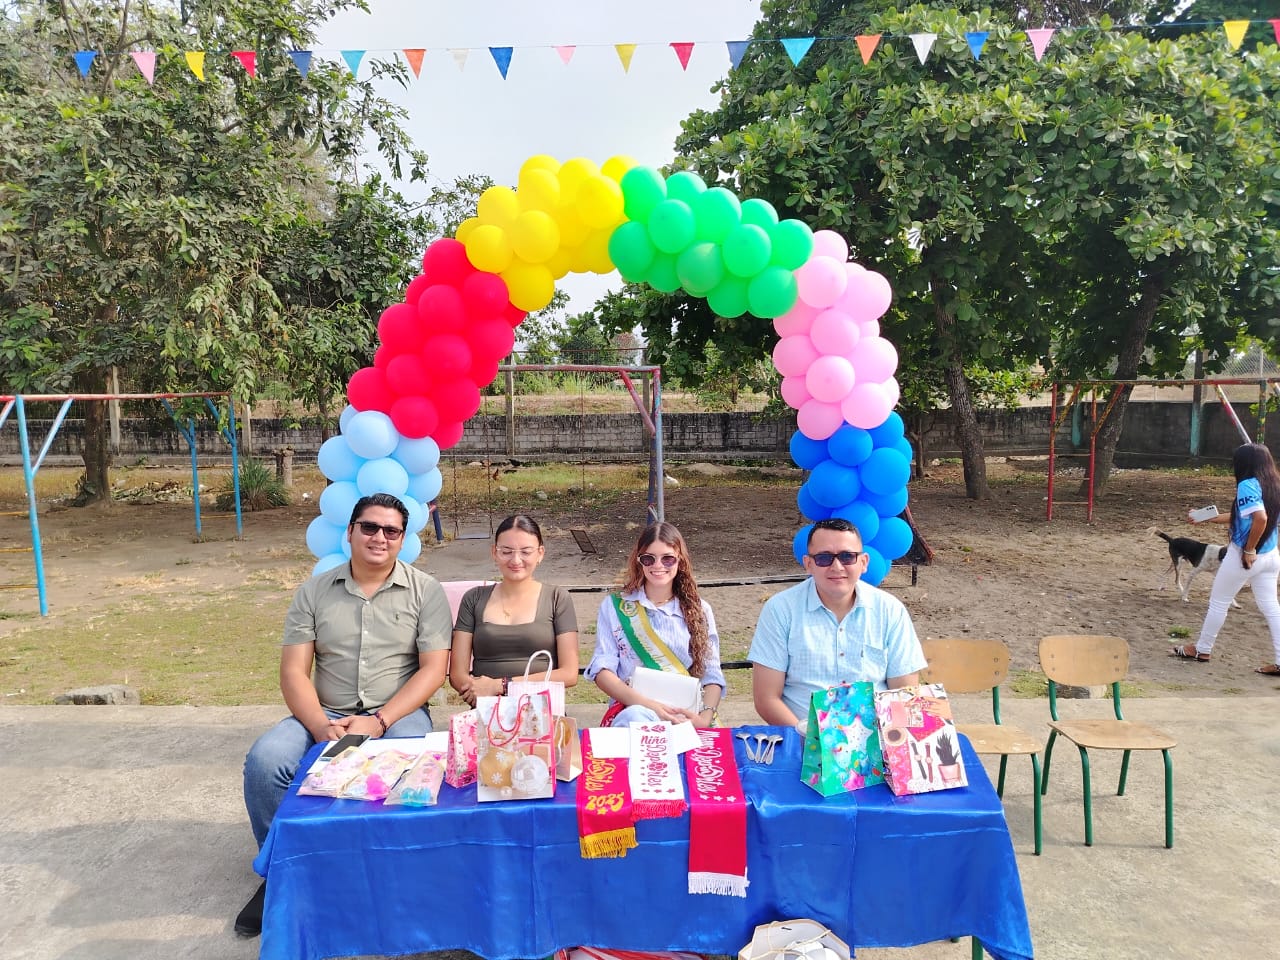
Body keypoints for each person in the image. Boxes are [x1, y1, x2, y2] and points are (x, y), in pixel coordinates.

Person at [236, 493, 452, 937]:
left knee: (405, 765)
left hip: (396, 713)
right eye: (369, 527)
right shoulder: (314, 591)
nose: (379, 538)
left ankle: (389, 873)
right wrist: (320, 726)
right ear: (350, 532)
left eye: (391, 531)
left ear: (402, 539)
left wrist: (380, 720)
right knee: (266, 762)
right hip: (325, 712)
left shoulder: (425, 591)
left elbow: (434, 669)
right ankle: (282, 870)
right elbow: (294, 671)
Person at [750, 518, 926, 734]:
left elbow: (905, 693)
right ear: (808, 564)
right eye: (824, 558)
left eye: (847, 556)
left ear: (863, 562)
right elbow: (766, 698)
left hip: (876, 739)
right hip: (802, 738)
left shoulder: (890, 610)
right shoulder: (780, 609)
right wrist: (812, 738)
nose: (837, 566)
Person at [587, 521, 724, 727]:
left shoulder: (701, 610)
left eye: (667, 558)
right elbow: (603, 669)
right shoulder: (615, 607)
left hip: (686, 716)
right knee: (636, 718)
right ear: (639, 561)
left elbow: (711, 674)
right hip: (633, 712)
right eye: (649, 558)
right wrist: (649, 706)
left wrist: (704, 719)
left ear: (680, 560)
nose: (658, 565)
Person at [1172, 442, 1280, 675]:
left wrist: (1249, 549)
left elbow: (1260, 518)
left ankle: (1202, 649)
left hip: (1245, 556)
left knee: (1219, 603)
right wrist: (1207, 518)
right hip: (1271, 556)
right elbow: (1243, 515)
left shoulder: (1247, 485)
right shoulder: (1274, 484)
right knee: (1271, 607)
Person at [449, 514, 579, 705]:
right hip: (487, 709)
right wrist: (480, 694)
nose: (516, 560)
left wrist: (503, 686)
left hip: (540, 710)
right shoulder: (474, 598)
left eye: (526, 552)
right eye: (506, 551)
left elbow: (569, 673)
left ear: (540, 553)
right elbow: (457, 674)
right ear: (494, 552)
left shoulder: (557, 598)